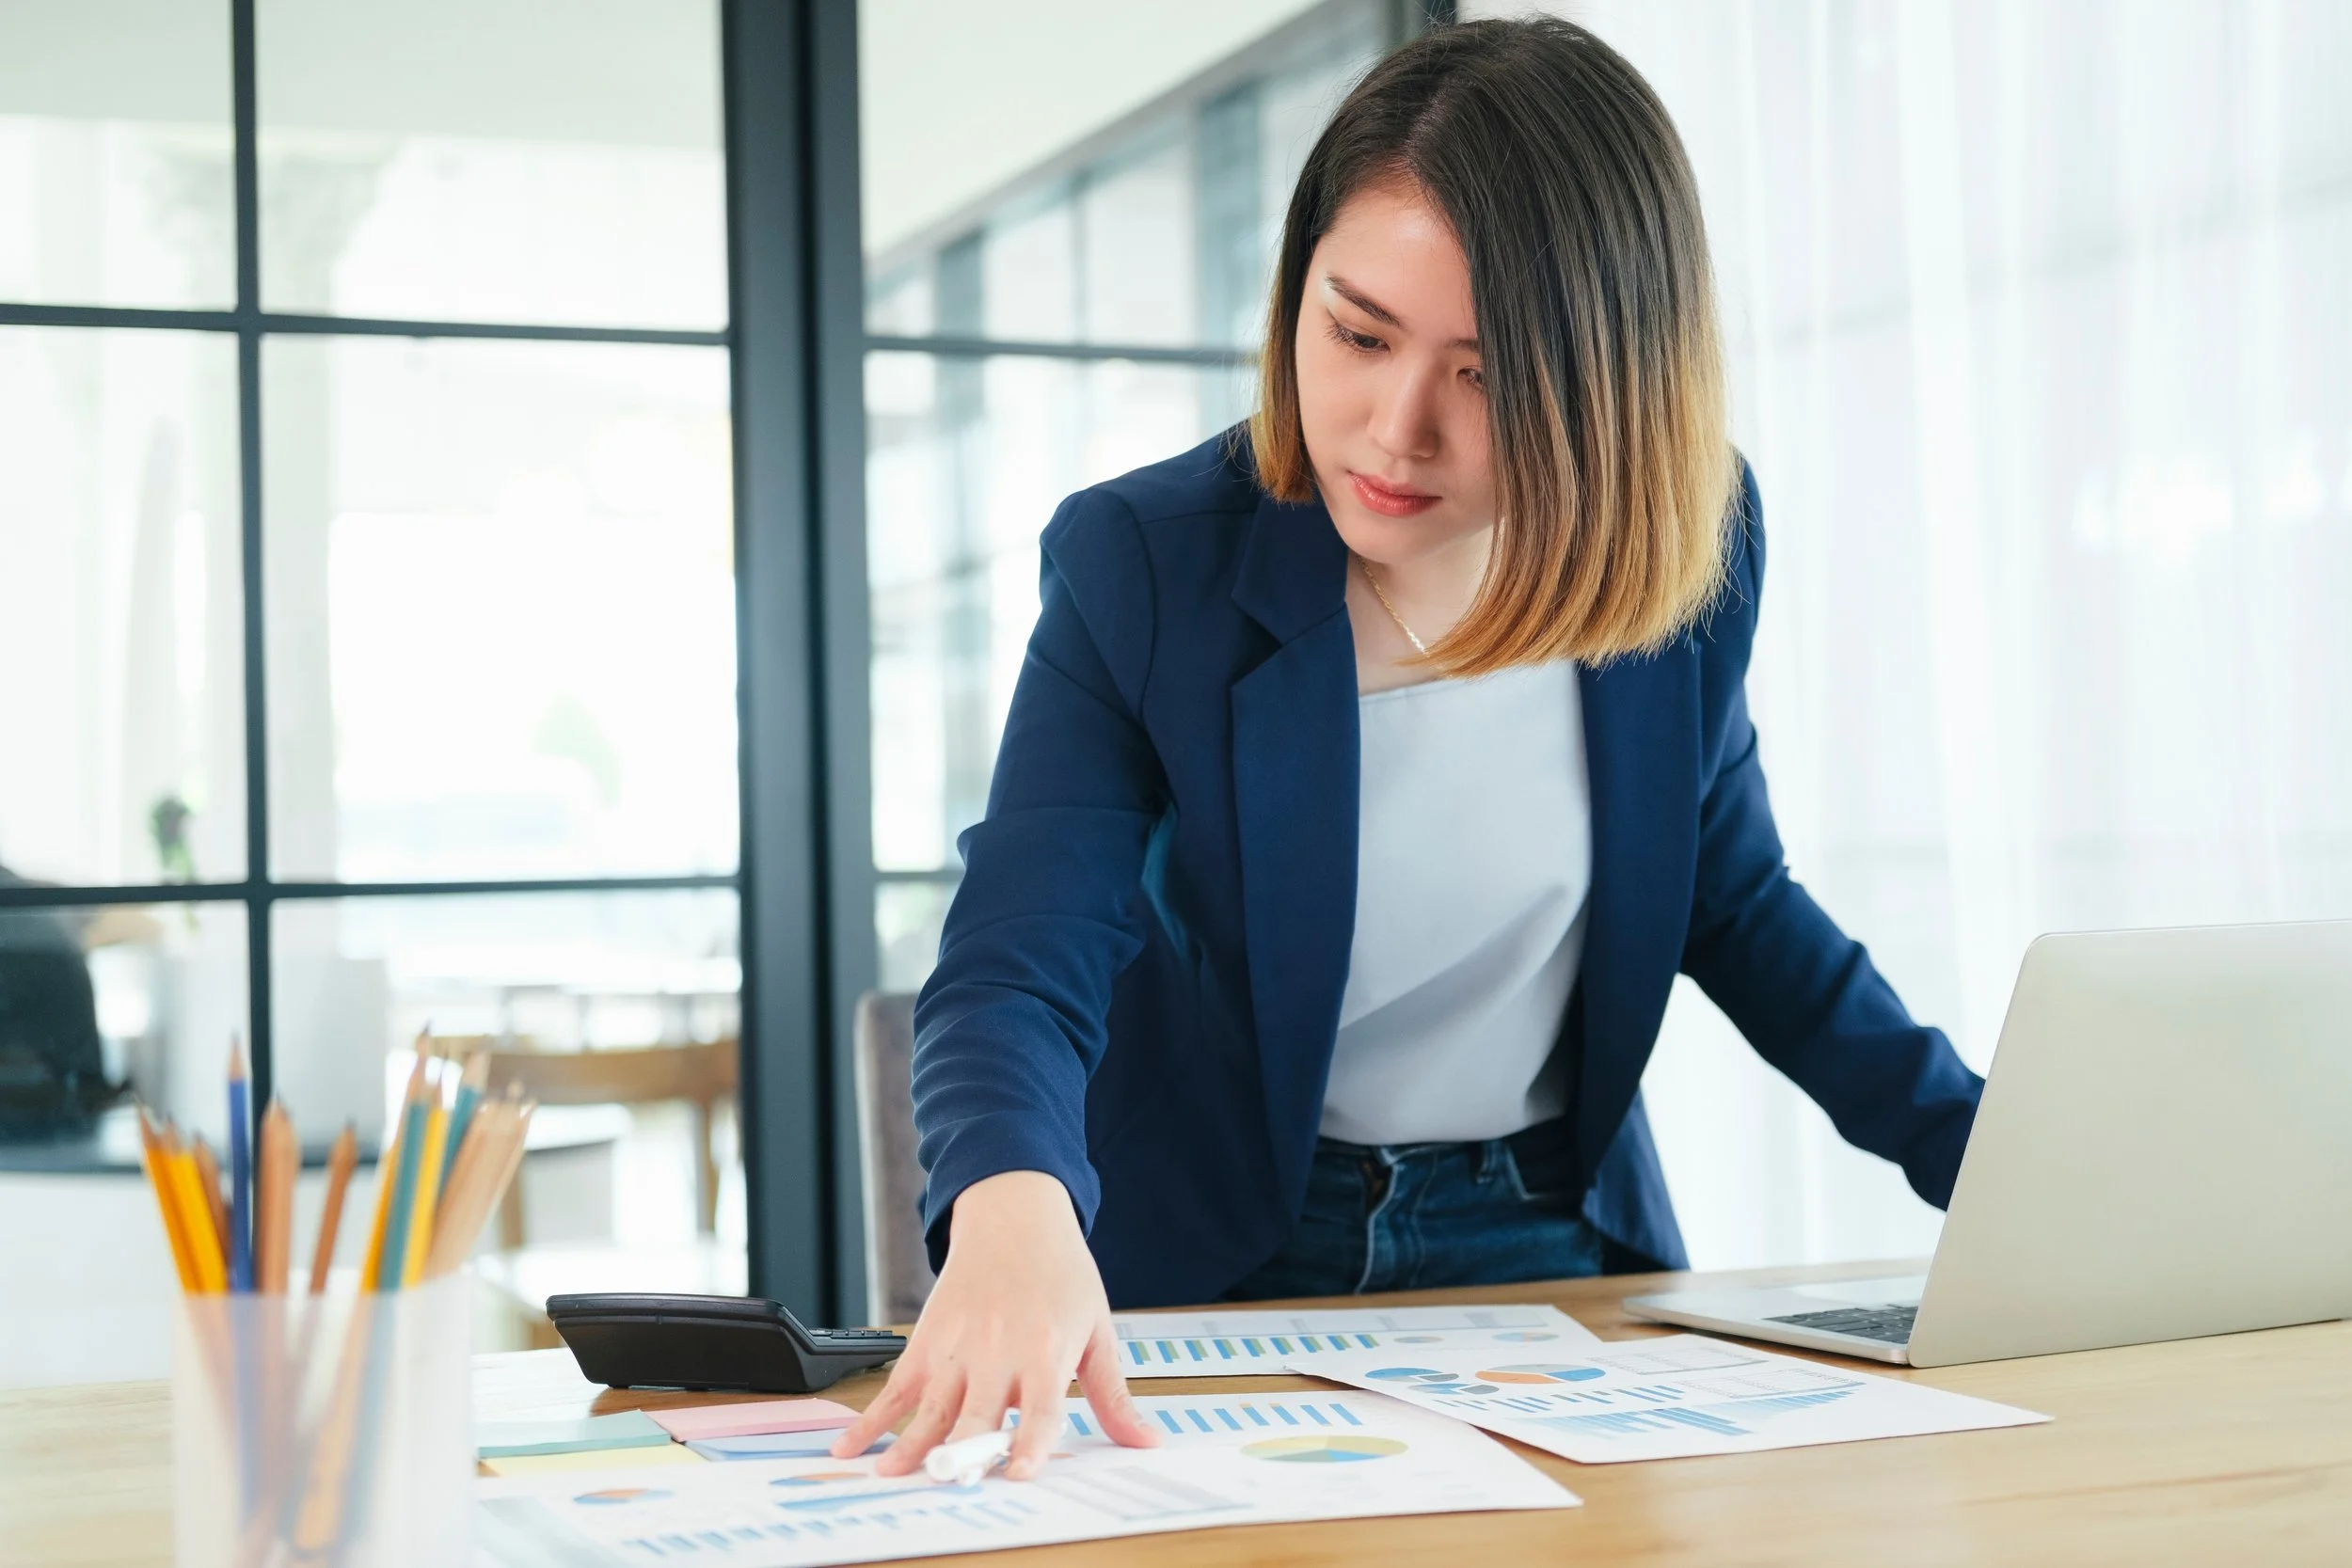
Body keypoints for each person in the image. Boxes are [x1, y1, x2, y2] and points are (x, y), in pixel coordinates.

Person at [834, 16, 1982, 1479]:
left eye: (1488, 375)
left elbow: (1735, 902)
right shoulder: (1145, 566)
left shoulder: (1694, 543)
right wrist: (1009, 1203)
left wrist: (1998, 1172)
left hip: (1558, 1254)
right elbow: (1018, 955)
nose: (1393, 429)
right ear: (1296, 287)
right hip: (1227, 1261)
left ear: (1611, 387)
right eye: (1357, 333)